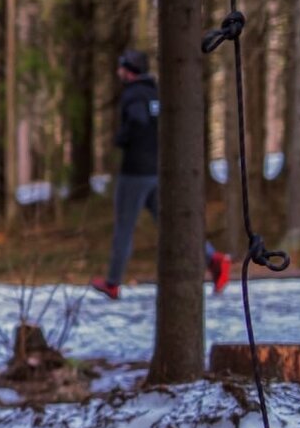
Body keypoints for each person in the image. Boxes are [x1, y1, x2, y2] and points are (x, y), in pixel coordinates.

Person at [89, 49, 231, 300]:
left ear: (129, 69)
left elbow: (137, 121)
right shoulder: (155, 94)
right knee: (173, 224)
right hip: (157, 171)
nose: (118, 72)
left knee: (124, 226)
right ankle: (213, 258)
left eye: (121, 67)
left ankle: (112, 281)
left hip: (135, 173)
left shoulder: (133, 95)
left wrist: (123, 137)